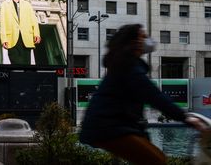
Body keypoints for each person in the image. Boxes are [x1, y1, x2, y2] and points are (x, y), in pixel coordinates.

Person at [79, 24, 207, 165]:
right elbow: (153, 95)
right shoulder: (129, 67)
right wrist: (186, 117)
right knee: (157, 160)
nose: (148, 40)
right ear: (134, 42)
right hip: (108, 127)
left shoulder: (125, 64)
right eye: (143, 37)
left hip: (106, 126)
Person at [0, 0, 41, 65]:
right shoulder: (5, 4)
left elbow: (34, 20)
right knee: (16, 64)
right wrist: (3, 39)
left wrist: (36, 34)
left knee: (27, 65)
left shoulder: (27, 4)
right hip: (12, 38)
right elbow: (3, 23)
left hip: (26, 37)